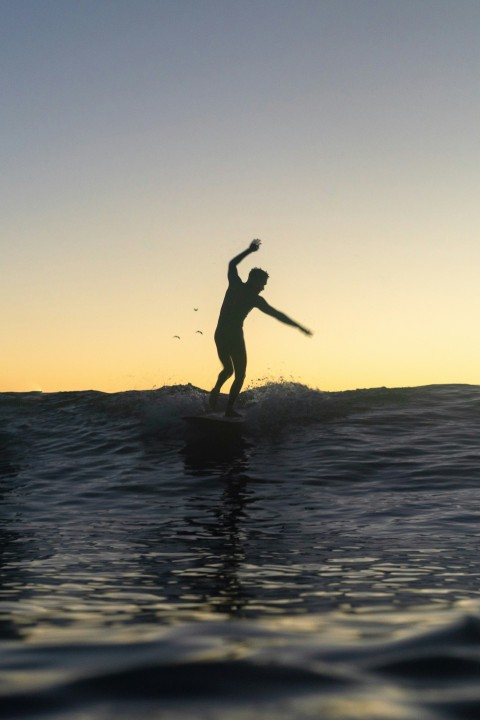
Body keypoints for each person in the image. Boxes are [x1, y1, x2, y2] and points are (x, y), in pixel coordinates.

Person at [209, 239, 312, 417]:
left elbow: (232, 264)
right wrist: (299, 327)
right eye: (263, 284)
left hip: (219, 334)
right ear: (255, 280)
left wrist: (249, 250)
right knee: (239, 375)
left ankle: (216, 391)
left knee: (227, 370)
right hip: (233, 336)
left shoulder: (236, 286)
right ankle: (228, 410)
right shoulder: (250, 295)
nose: (263, 288)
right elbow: (278, 314)